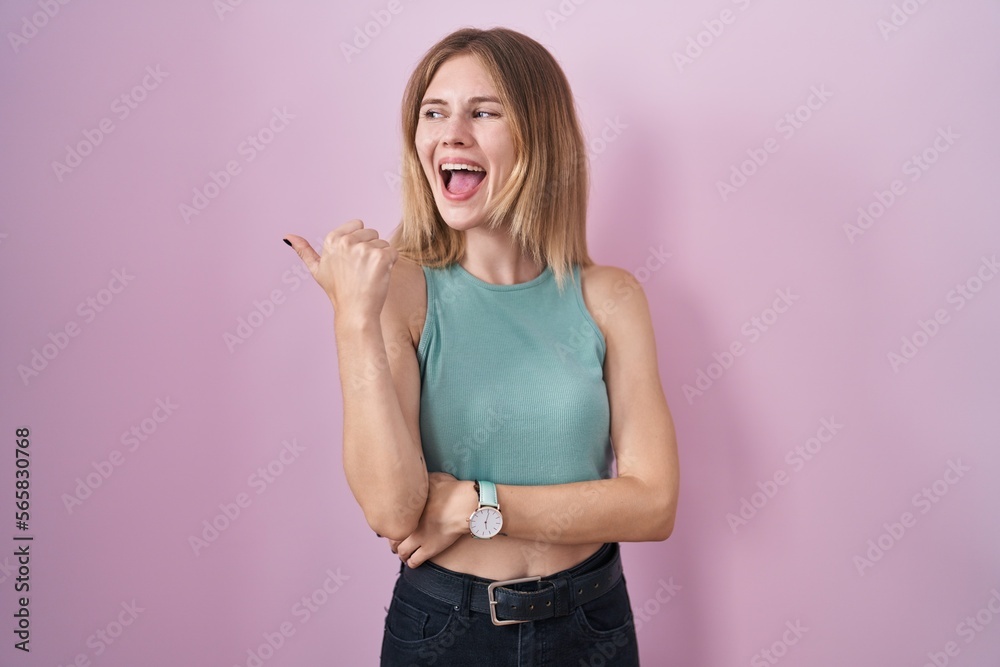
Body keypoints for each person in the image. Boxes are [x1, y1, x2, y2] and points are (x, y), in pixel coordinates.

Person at [284, 26, 679, 666]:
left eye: (484, 112)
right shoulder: (402, 294)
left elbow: (653, 503)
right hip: (446, 632)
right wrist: (353, 319)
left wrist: (477, 505)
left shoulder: (611, 298)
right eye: (433, 112)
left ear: (539, 137)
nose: (451, 133)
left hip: (593, 623)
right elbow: (392, 509)